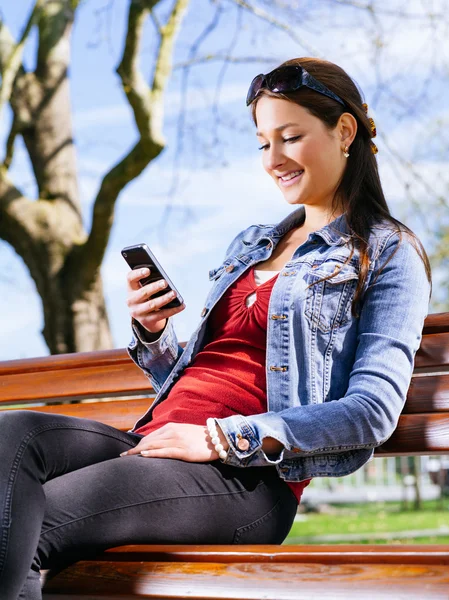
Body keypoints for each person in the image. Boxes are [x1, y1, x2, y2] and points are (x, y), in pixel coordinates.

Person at [0, 57, 432, 599]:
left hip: (248, 480)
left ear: (344, 131)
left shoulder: (388, 252)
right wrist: (155, 335)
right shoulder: (252, 244)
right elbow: (202, 376)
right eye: (262, 143)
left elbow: (371, 413)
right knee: (10, 436)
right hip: (158, 444)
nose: (272, 159)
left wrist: (217, 438)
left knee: (25, 523)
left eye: (290, 137)